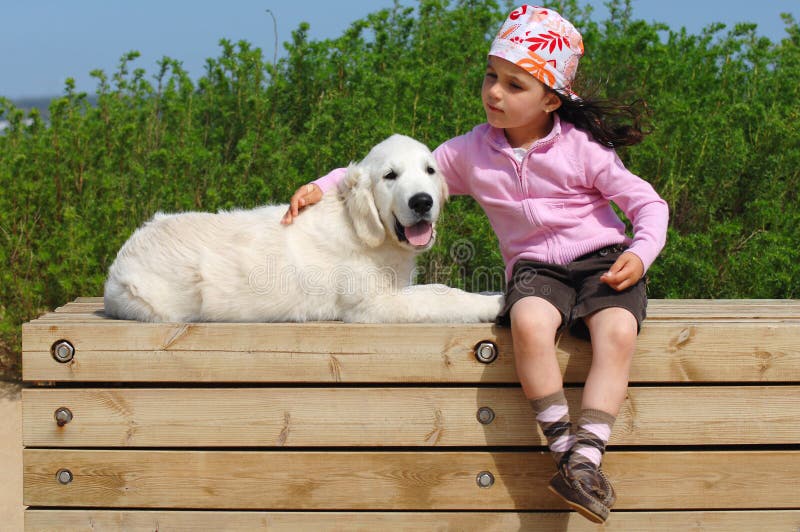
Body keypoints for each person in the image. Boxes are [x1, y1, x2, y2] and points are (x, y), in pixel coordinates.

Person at [281, 4, 668, 523]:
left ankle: (588, 458)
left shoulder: (583, 149)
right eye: (491, 76)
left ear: (550, 99)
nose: (494, 92)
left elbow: (649, 205)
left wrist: (639, 255)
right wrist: (323, 186)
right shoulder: (469, 153)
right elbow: (390, 171)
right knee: (529, 324)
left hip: (604, 259)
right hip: (536, 269)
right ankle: (564, 455)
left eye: (514, 85)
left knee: (617, 330)